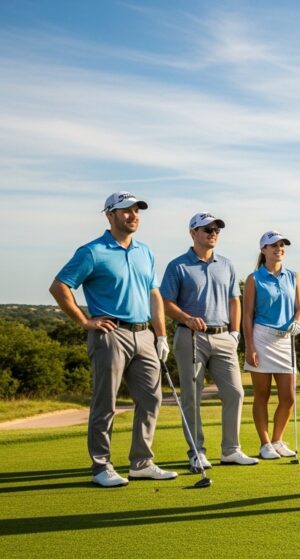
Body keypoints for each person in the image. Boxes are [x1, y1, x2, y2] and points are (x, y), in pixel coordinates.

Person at [48, 191, 178, 487]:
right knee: (105, 401)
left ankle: (141, 463)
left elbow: (154, 295)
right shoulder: (92, 251)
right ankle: (101, 466)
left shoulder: (145, 251)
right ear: (110, 215)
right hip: (110, 334)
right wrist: (84, 321)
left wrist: (161, 335)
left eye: (136, 211)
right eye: (126, 210)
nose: (133, 216)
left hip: (144, 334)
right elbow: (59, 286)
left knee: (152, 399)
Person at [161, 212, 259, 469]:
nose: (213, 233)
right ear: (193, 233)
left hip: (224, 336)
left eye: (216, 230)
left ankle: (231, 450)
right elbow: (166, 302)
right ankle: (197, 452)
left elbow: (234, 300)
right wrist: (186, 317)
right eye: (207, 229)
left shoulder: (226, 264)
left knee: (235, 392)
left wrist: (235, 332)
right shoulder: (178, 266)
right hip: (190, 336)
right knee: (192, 396)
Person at [242, 230, 300, 460]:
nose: (279, 249)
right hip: (261, 337)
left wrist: (297, 322)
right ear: (263, 250)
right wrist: (249, 346)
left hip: (285, 339)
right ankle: (265, 444)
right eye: (274, 245)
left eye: (282, 245)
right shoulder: (254, 279)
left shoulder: (294, 276)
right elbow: (247, 315)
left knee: (288, 397)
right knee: (262, 395)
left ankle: (278, 440)